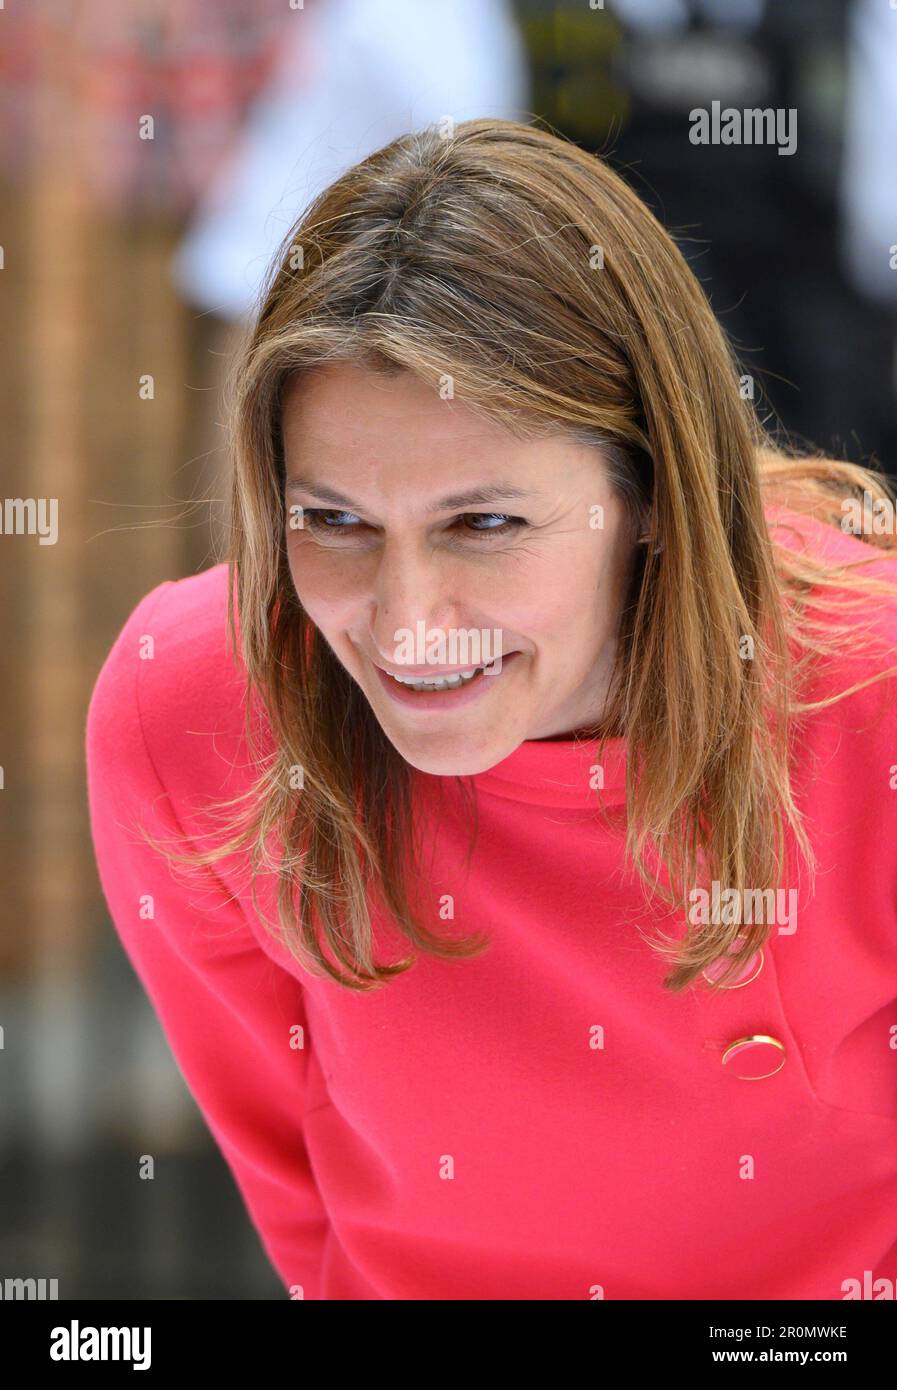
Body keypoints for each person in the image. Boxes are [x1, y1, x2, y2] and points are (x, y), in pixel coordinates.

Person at [86, 118, 897, 1301]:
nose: (407, 621)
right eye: (336, 520)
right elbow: (299, 1186)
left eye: (487, 524)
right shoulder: (191, 710)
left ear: (657, 492)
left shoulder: (868, 700)